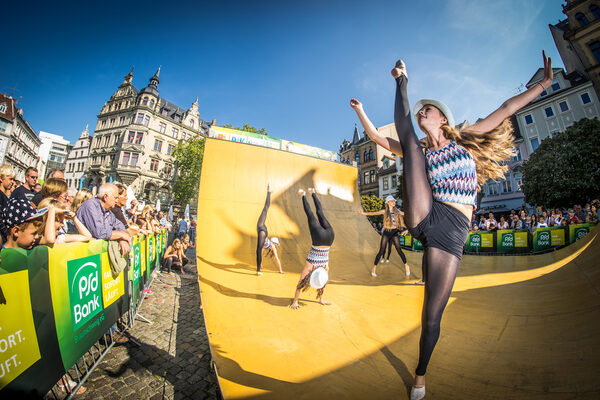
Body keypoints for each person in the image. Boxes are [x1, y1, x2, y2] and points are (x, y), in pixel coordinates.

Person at [350, 52, 552, 398]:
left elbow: (504, 109)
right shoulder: (421, 150)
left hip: (452, 231)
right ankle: (402, 80)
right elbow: (380, 139)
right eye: (419, 110)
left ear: (443, 118)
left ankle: (420, 374)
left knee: (431, 318)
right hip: (425, 214)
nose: (422, 113)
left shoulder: (464, 138)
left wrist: (544, 85)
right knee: (411, 147)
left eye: (427, 109)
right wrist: (360, 112)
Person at [290, 188, 334, 309]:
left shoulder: (325, 268)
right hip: (319, 238)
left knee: (320, 213)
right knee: (311, 214)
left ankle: (312, 193)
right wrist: (295, 302)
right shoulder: (309, 267)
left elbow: (323, 284)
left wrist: (322, 299)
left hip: (330, 237)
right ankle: (305, 195)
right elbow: (299, 285)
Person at [358, 195, 411, 278]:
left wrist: (407, 228)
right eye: (392, 201)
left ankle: (406, 266)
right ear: (388, 203)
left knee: (399, 250)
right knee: (381, 250)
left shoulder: (397, 211)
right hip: (386, 232)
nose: (394, 202)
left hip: (395, 232)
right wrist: (363, 213)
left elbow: (407, 214)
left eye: (394, 201)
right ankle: (374, 268)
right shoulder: (384, 211)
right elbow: (373, 213)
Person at [76, 183, 131, 254]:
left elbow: (119, 225)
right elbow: (99, 233)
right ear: (105, 197)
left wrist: (122, 240)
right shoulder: (90, 206)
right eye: (115, 198)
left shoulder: (107, 211)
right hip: (83, 254)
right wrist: (122, 235)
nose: (117, 201)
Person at [256, 184, 284, 275]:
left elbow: (261, 252)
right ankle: (269, 192)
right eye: (277, 245)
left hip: (263, 230)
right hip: (262, 230)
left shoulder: (268, 246)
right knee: (265, 209)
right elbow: (277, 259)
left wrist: (260, 264)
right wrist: (280, 271)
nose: (277, 247)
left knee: (265, 209)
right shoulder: (272, 247)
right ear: (275, 244)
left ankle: (269, 191)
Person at [0, 164, 16, 243]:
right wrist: (7, 234)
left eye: (13, 179)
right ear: (1, 179)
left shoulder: (5, 196)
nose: (12, 182)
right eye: (10, 179)